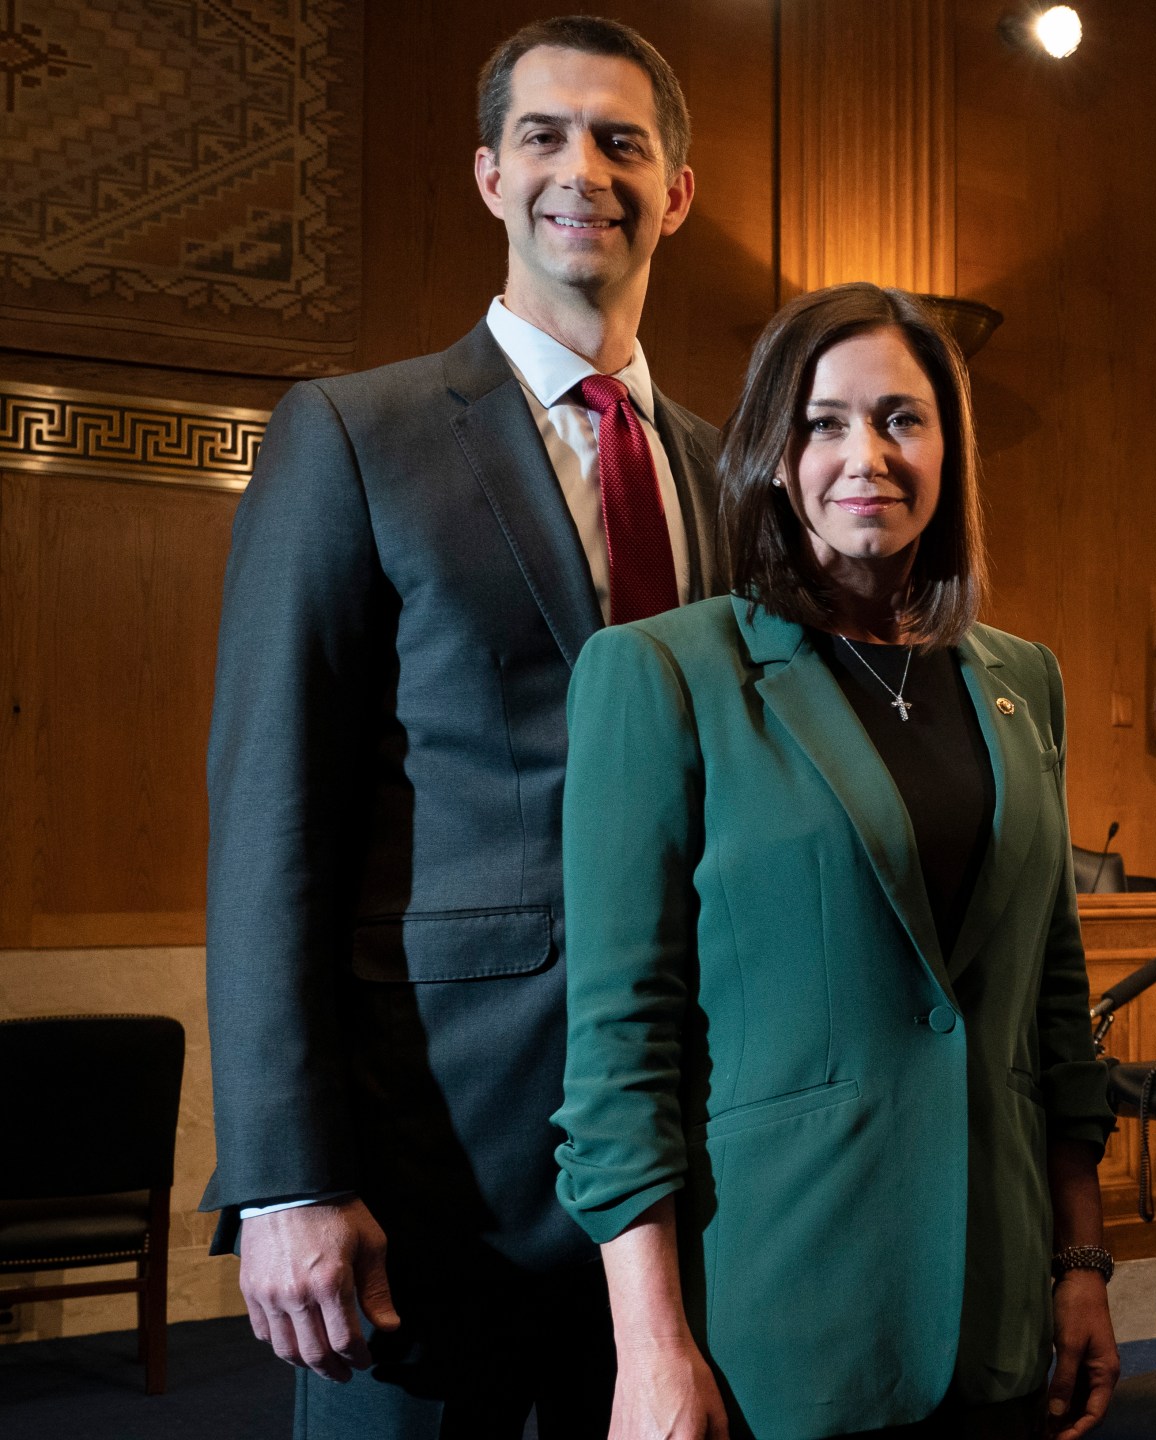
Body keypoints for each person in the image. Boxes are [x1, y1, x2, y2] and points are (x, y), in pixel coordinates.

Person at [201, 16, 720, 1435]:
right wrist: (286, 1175)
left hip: (695, 1156)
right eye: (545, 136)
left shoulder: (729, 474)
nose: (583, 170)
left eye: (623, 141)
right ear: (491, 177)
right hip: (436, 1175)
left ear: (675, 191)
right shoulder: (352, 435)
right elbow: (269, 824)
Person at [551, 281, 1118, 1440]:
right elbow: (621, 1038)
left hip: (999, 1311)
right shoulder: (660, 673)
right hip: (780, 1318)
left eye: (903, 419)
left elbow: (1054, 1003)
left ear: (949, 452)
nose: (866, 454)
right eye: (823, 422)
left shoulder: (1024, 678)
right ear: (769, 451)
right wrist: (649, 1347)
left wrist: (1081, 1258)